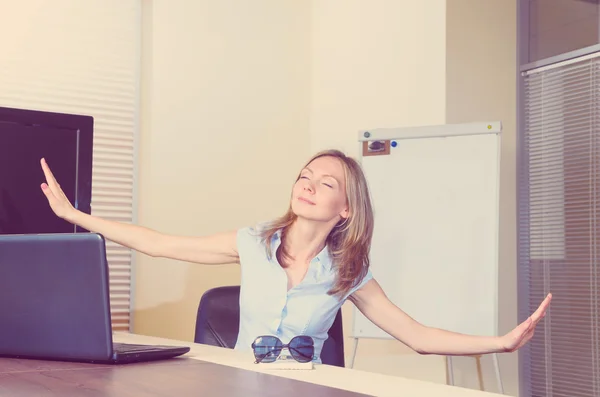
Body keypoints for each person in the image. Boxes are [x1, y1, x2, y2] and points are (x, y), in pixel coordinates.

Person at [39, 150, 551, 363]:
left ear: (345, 208)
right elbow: (162, 242)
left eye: (326, 183)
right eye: (305, 176)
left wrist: (501, 343)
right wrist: (76, 216)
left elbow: (416, 336)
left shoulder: (350, 273)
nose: (309, 185)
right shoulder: (252, 243)